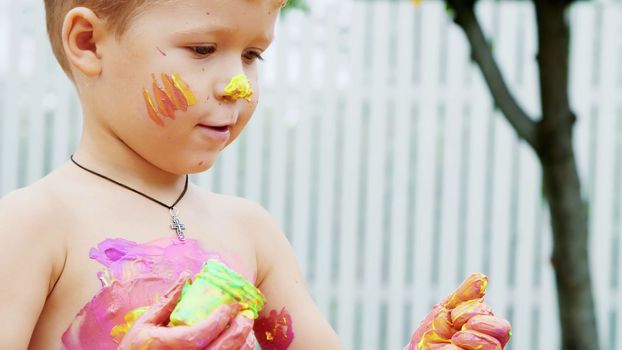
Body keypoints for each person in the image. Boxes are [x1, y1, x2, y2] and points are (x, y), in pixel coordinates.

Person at [0, 0, 511, 349]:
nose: (238, 85)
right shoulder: (33, 225)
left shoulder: (251, 231)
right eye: (203, 50)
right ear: (89, 42)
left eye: (252, 54)